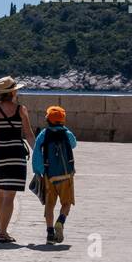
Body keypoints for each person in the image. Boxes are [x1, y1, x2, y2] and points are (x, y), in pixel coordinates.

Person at [0, 76, 34, 243]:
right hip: (16, 156)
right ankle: (3, 231)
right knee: (10, 196)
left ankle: (1, 228)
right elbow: (29, 134)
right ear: (13, 92)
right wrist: (38, 153)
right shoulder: (21, 110)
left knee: (0, 194)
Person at [32, 104, 78, 243]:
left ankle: (50, 233)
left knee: (49, 205)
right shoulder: (66, 133)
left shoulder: (44, 134)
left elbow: (36, 153)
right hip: (66, 175)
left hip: (49, 176)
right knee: (66, 202)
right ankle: (61, 221)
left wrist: (38, 171)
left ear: (48, 119)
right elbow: (74, 144)